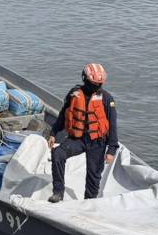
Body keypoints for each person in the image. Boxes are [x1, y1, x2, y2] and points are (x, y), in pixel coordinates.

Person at [47, 63, 119, 203]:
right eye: (93, 83)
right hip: (77, 139)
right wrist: (53, 133)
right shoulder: (74, 94)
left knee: (93, 175)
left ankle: (89, 202)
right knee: (58, 154)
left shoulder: (107, 98)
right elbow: (63, 115)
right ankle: (58, 192)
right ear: (85, 79)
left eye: (99, 84)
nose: (96, 86)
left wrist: (111, 149)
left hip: (97, 141)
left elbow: (112, 124)